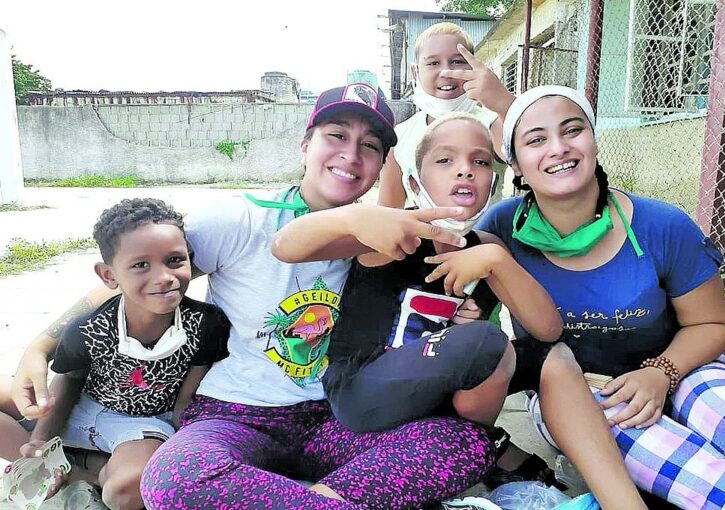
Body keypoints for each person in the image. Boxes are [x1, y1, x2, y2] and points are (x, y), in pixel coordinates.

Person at [9, 83, 501, 510]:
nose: (351, 155)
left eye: (369, 145)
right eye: (336, 136)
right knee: (173, 480)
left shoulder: (385, 236)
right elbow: (138, 277)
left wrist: (466, 310)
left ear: (381, 166)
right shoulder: (240, 219)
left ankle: (306, 498)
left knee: (465, 443)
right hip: (234, 414)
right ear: (305, 144)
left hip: (336, 418)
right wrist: (43, 345)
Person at [273, 113, 648, 510]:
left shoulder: (486, 247)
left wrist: (497, 262)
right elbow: (286, 246)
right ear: (415, 182)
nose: (465, 170)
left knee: (550, 357)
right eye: (445, 160)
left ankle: (622, 502)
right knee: (486, 341)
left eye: (480, 162)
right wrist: (353, 217)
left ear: (494, 183)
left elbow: (548, 330)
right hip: (363, 389)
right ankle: (486, 448)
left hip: (445, 390)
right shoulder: (393, 236)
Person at [472, 84, 725, 509]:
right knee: (709, 484)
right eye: (536, 140)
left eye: (572, 130)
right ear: (516, 163)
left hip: (687, 366)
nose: (558, 148)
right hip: (580, 392)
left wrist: (662, 372)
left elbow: (712, 323)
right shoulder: (501, 229)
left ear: (593, 140)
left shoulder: (662, 225)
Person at [0, 198, 231, 510]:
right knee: (35, 430)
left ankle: (81, 471)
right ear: (109, 275)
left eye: (175, 260)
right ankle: (55, 465)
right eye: (141, 265)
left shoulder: (206, 324)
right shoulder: (88, 329)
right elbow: (68, 382)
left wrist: (177, 451)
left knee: (128, 489)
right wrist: (41, 442)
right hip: (82, 409)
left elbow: (185, 402)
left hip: (142, 425)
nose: (164, 276)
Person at [377, 22, 515, 209]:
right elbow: (388, 211)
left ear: (473, 68)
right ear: (415, 72)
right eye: (433, 63)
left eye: (457, 62)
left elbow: (532, 160)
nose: (446, 72)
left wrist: (505, 103)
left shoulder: (493, 124)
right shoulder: (400, 136)